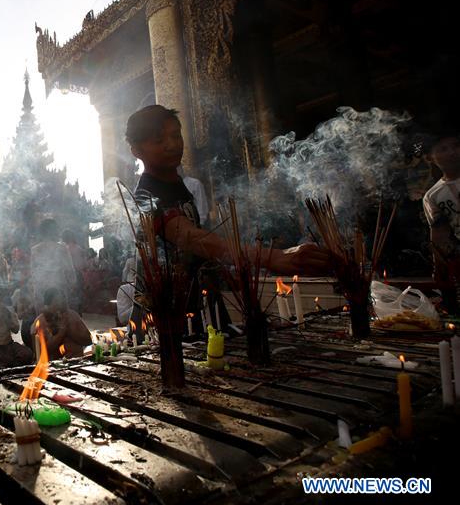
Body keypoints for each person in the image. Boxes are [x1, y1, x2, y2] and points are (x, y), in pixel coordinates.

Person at [125, 105, 329, 274]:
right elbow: (191, 238)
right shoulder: (146, 194)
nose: (172, 145)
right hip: (166, 303)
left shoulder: (176, 182)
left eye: (176, 135)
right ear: (137, 151)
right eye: (159, 140)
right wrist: (274, 257)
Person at [422, 133, 460, 313]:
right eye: (443, 149)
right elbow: (439, 234)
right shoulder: (433, 195)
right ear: (431, 157)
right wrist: (439, 267)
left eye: (456, 146)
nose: (452, 152)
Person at [31, 288, 92, 360]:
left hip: (77, 361)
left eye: (64, 299)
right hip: (53, 364)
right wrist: (61, 332)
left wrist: (71, 331)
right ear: (49, 303)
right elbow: (41, 352)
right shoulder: (40, 322)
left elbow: (88, 340)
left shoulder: (72, 315)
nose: (64, 302)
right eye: (58, 300)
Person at [0, 287, 33, 367]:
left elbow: (16, 330)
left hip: (9, 345)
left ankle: (10, 366)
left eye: (0, 297)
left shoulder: (8, 311)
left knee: (27, 353)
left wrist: (6, 317)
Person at [29, 218, 77, 304]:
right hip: (58, 287)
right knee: (59, 311)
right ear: (55, 231)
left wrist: (34, 287)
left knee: (43, 312)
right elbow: (69, 270)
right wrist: (72, 285)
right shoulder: (62, 249)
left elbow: (32, 271)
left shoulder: (35, 249)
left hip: (41, 288)